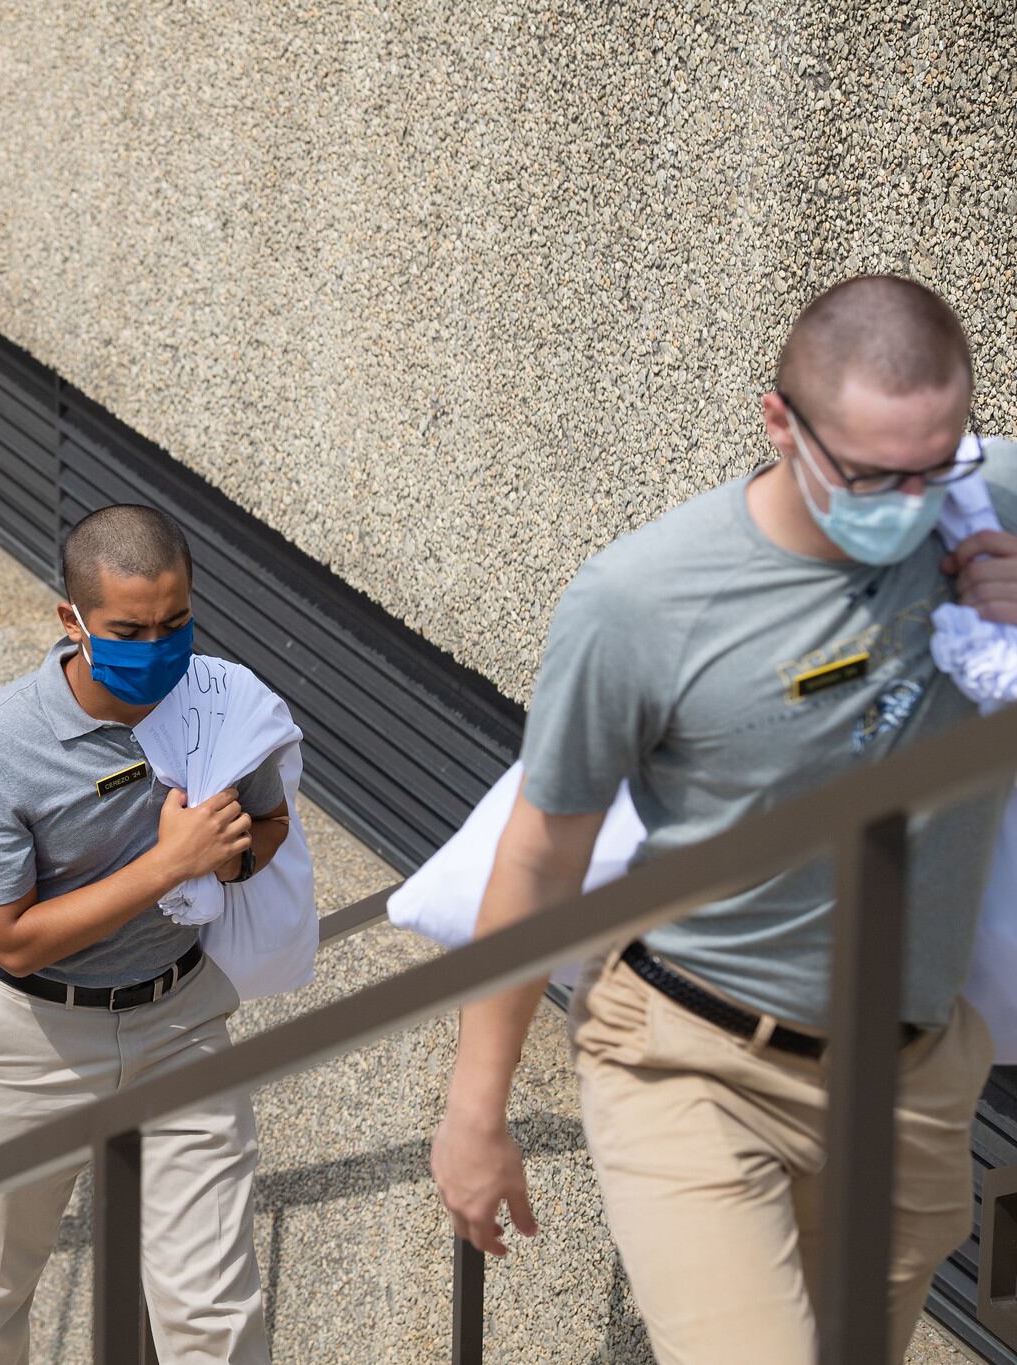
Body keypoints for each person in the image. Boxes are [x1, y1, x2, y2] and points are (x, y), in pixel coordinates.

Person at [428, 275, 1017, 1364]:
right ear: (778, 424)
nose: (909, 496)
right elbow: (541, 852)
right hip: (693, 1061)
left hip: (908, 1082)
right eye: (872, 473)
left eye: (936, 464)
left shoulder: (990, 507)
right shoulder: (642, 603)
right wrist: (476, 1108)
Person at [0, 504, 291, 1364]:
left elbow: (269, 821)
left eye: (176, 622)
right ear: (73, 622)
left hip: (179, 1022)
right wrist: (169, 867)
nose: (159, 647)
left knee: (214, 1307)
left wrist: (227, 862)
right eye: (130, 629)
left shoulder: (220, 700)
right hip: (32, 1040)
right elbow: (13, 938)